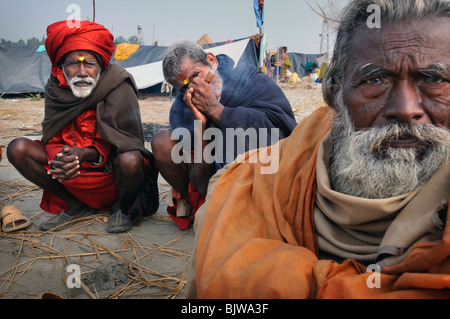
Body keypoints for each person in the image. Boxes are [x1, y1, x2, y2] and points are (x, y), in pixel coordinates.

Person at [187, 0, 450, 298]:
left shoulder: (256, 83)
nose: (405, 110)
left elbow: (271, 124)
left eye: (434, 79)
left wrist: (218, 112)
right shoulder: (275, 171)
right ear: (335, 91)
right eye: (375, 79)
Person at [7, 20, 159, 233]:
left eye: (89, 63)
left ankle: (121, 210)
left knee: (131, 159)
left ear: (101, 66)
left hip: (109, 173)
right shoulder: (56, 88)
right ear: (61, 67)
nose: (82, 72)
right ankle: (74, 204)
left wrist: (87, 154)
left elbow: (126, 140)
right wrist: (63, 159)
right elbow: (52, 136)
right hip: (69, 169)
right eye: (72, 63)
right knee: (17, 149)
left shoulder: (117, 84)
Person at [151, 41, 297, 230]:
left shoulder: (252, 80)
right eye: (184, 87)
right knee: (162, 141)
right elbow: (202, 184)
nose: (194, 88)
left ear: (211, 61)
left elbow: (278, 132)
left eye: (196, 75)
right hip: (213, 184)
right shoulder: (182, 107)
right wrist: (201, 125)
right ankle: (199, 207)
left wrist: (215, 110)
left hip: (262, 177)